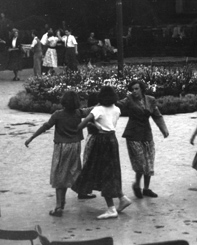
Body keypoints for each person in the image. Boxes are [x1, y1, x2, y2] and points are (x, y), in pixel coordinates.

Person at [72, 86, 132, 219]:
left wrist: (76, 128)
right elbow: (110, 122)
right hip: (112, 140)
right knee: (112, 171)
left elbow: (82, 124)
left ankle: (111, 208)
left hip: (101, 141)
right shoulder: (117, 109)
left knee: (103, 172)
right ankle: (121, 198)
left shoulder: (97, 110)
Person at [24, 91, 85, 217]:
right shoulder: (79, 113)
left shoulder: (58, 114)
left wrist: (32, 137)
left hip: (62, 147)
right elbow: (91, 110)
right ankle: (65, 200)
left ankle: (58, 207)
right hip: (75, 146)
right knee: (70, 173)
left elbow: (45, 126)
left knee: (59, 175)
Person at [116, 80, 169, 199]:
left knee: (149, 161)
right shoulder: (129, 100)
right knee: (140, 162)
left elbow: (157, 115)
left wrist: (163, 129)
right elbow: (118, 105)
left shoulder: (150, 100)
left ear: (142, 89)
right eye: (132, 89)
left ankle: (146, 188)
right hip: (133, 134)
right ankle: (136, 185)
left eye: (136, 89)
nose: (134, 91)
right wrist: (106, 101)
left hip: (146, 134)